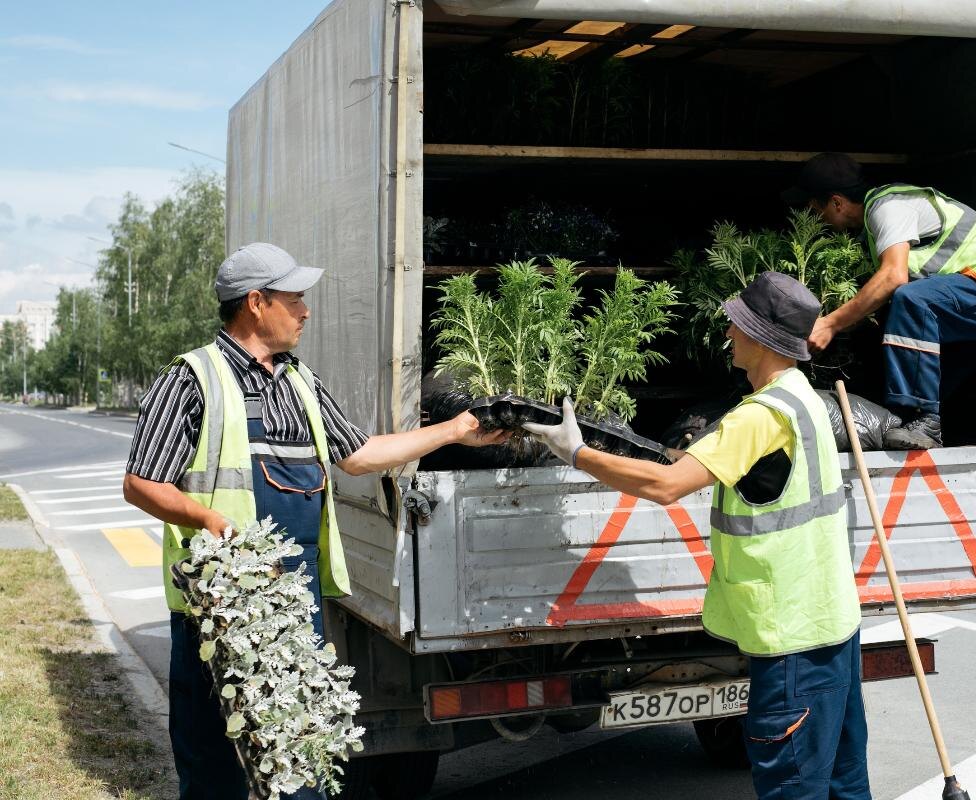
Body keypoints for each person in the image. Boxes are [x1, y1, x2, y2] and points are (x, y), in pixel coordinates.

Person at [123, 242, 509, 800]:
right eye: (296, 298)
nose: (306, 311)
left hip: (296, 603)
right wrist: (206, 518)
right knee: (214, 769)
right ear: (256, 303)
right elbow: (140, 482)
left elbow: (357, 454)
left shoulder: (299, 379)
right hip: (221, 612)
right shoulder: (190, 380)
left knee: (302, 761)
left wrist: (454, 431)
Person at [524, 271, 869, 800]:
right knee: (845, 785)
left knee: (793, 787)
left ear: (761, 337)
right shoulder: (803, 397)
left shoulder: (759, 417)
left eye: (738, 325)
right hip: (833, 623)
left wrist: (576, 453)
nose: (730, 333)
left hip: (792, 637)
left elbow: (666, 487)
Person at [783, 152, 976, 449]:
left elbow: (894, 277)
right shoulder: (871, 232)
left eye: (815, 208)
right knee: (897, 320)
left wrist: (830, 324)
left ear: (836, 202)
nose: (815, 218)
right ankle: (911, 421)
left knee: (910, 300)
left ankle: (926, 421)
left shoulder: (888, 209)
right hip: (969, 300)